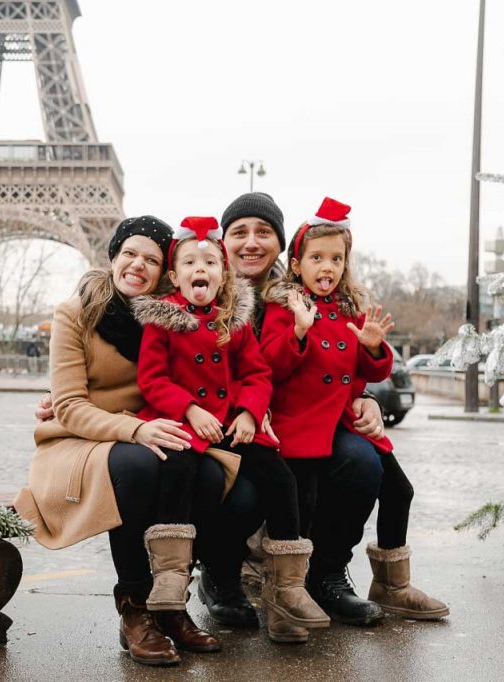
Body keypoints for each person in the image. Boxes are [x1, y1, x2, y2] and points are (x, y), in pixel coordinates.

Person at [14, 216, 232, 667]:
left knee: (209, 473)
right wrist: (134, 429)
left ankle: (170, 603)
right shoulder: (75, 313)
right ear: (112, 257)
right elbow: (71, 406)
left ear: (164, 271)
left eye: (151, 259)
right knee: (136, 468)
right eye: (129, 253)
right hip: (84, 437)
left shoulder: (176, 315)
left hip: (159, 427)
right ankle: (133, 607)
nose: (138, 265)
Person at [130, 216, 329, 643]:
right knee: (176, 469)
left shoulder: (232, 322)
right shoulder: (161, 321)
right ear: (174, 275)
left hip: (232, 424)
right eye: (189, 262)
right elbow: (152, 379)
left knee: (281, 480)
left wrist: (249, 413)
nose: (199, 269)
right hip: (186, 422)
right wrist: (188, 408)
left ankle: (287, 588)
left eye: (209, 262)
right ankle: (170, 573)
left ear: (224, 275)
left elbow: (257, 374)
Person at [198, 192, 390, 629]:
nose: (251, 242)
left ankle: (324, 575)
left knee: (362, 463)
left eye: (263, 232)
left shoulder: (300, 295)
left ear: (282, 245)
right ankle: (219, 573)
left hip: (294, 423)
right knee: (248, 491)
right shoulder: (200, 285)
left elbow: (344, 357)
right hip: (224, 422)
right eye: (239, 232)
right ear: (221, 240)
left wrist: (367, 397)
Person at [260, 197, 448, 620]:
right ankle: (314, 580)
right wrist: (300, 333)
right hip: (303, 423)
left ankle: (385, 584)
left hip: (341, 418)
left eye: (336, 259)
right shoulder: (284, 306)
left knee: (398, 488)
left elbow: (368, 371)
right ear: (296, 264)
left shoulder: (350, 309)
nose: (327, 267)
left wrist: (374, 346)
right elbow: (270, 365)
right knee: (332, 486)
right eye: (317, 258)